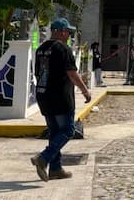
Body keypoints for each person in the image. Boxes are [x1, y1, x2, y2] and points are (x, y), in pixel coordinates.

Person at [31, 18, 91, 181]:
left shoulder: (41, 49)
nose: (69, 35)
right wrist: (85, 91)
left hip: (44, 96)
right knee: (67, 130)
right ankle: (44, 158)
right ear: (61, 31)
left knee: (54, 131)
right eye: (68, 32)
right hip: (60, 97)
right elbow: (72, 73)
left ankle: (56, 169)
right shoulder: (63, 49)